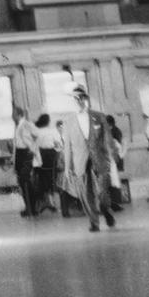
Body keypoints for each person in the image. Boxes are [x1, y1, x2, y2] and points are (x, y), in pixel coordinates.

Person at [60, 85, 115, 233]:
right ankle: (94, 222)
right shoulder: (68, 121)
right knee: (86, 193)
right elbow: (67, 147)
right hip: (80, 161)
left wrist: (111, 157)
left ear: (86, 99)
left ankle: (105, 209)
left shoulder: (99, 116)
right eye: (75, 99)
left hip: (100, 159)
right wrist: (67, 168)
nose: (78, 101)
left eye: (81, 97)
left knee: (102, 191)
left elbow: (108, 139)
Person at [13, 105, 39, 218]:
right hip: (21, 154)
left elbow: (33, 137)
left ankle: (31, 208)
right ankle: (30, 208)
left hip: (25, 154)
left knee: (25, 182)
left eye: (13, 114)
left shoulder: (25, 124)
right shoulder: (20, 125)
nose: (12, 116)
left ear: (18, 114)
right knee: (24, 183)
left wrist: (31, 151)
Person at [33, 114, 61, 214]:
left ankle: (46, 202)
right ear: (48, 121)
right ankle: (52, 202)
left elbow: (34, 145)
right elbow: (58, 144)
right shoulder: (52, 131)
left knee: (42, 179)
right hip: (51, 156)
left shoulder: (36, 131)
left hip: (40, 156)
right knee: (52, 178)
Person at [105, 116, 126, 210]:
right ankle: (114, 204)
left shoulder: (114, 132)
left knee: (113, 182)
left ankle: (115, 204)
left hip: (112, 161)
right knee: (113, 182)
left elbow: (118, 148)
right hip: (111, 161)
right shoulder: (112, 132)